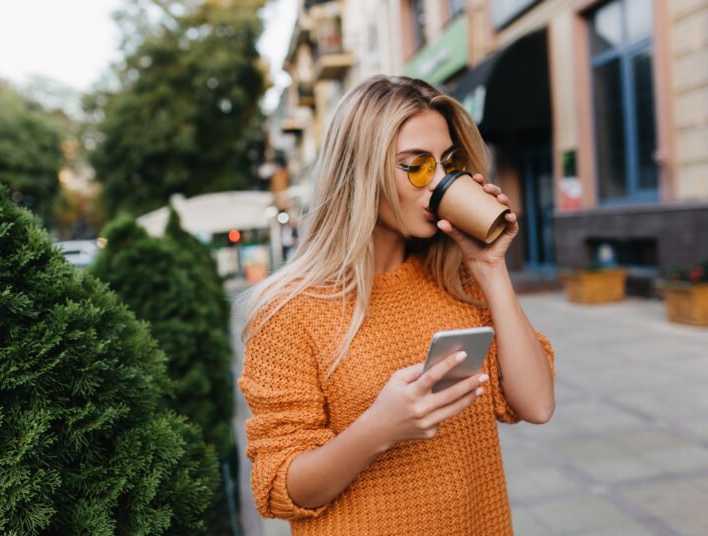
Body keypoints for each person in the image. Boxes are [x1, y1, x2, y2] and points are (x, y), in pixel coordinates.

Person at [238, 75, 555, 536]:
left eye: (448, 162)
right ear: (361, 171)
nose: (441, 182)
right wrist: (379, 428)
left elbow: (538, 404)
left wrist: (490, 268)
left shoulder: (457, 277)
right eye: (417, 166)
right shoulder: (288, 310)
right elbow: (278, 489)